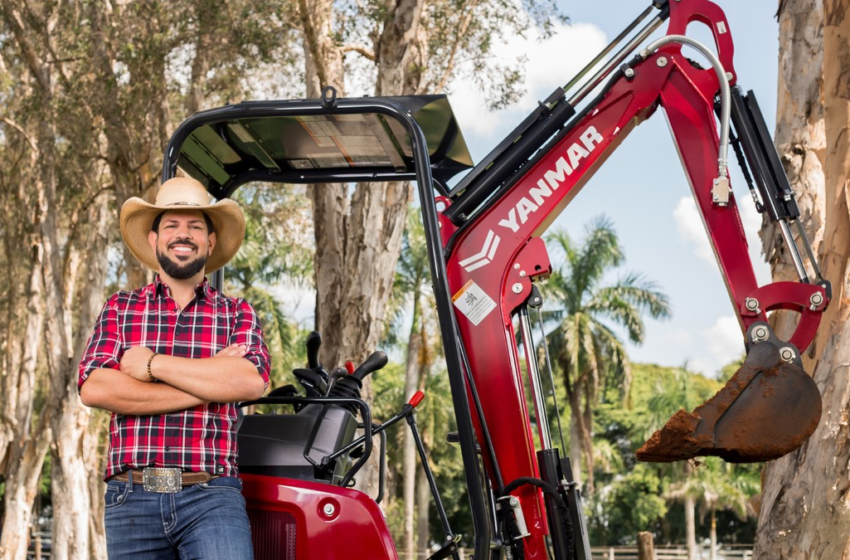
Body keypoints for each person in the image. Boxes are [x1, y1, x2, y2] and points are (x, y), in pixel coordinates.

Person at [79, 176, 270, 559]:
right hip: (131, 496)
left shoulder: (237, 313)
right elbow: (96, 388)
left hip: (212, 495)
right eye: (172, 225)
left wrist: (151, 364)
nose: (183, 235)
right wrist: (210, 379)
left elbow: (250, 382)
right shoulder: (121, 308)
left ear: (210, 242)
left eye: (195, 226)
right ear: (154, 240)